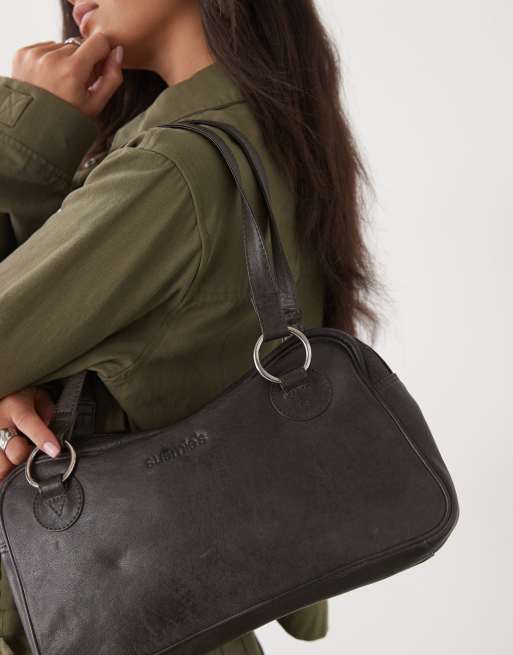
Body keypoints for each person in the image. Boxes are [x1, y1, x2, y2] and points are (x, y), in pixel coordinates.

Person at [0, 1, 384, 653]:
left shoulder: (172, 167)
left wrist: (17, 144)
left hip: (98, 616)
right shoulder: (259, 135)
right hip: (155, 614)